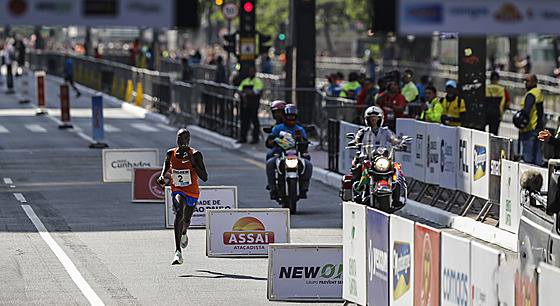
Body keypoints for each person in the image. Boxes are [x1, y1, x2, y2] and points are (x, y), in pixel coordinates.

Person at [158, 128, 208, 265]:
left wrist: (192, 163)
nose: (182, 141)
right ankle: (178, 251)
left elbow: (205, 177)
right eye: (180, 139)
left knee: (186, 219)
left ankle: (184, 231)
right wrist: (163, 174)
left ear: (189, 140)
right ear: (177, 139)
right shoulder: (171, 153)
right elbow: (167, 162)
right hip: (177, 189)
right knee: (178, 212)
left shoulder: (196, 154)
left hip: (192, 191)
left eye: (185, 139)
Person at [266, 105, 313, 200]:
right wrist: (273, 141)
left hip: (296, 155)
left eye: (293, 116)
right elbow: (269, 141)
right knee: (270, 163)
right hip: (280, 154)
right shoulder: (278, 128)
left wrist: (302, 142)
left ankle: (304, 188)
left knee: (308, 164)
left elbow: (305, 142)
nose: (291, 118)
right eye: (289, 116)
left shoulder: (300, 129)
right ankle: (273, 189)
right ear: (284, 116)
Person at [348, 106, 400, 183]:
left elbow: (392, 138)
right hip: (367, 157)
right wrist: (355, 141)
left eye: (376, 119)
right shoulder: (364, 131)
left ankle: (394, 187)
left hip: (382, 157)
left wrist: (398, 143)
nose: (373, 121)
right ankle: (356, 187)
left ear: (380, 120)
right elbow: (357, 137)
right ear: (367, 120)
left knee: (395, 168)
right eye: (371, 119)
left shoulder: (385, 131)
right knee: (358, 168)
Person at [519, 74, 544, 166]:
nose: (526, 83)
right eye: (525, 81)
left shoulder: (531, 94)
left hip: (530, 128)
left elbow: (526, 111)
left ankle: (529, 177)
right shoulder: (538, 92)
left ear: (534, 82)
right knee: (537, 154)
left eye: (528, 81)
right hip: (538, 127)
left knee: (528, 156)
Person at [237, 67, 263, 144]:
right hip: (244, 104)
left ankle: (255, 138)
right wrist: (243, 96)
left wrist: (245, 94)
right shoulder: (245, 81)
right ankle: (243, 137)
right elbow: (239, 90)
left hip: (253, 104)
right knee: (244, 121)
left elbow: (256, 91)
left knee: (254, 121)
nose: (251, 72)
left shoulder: (257, 81)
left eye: (252, 71)